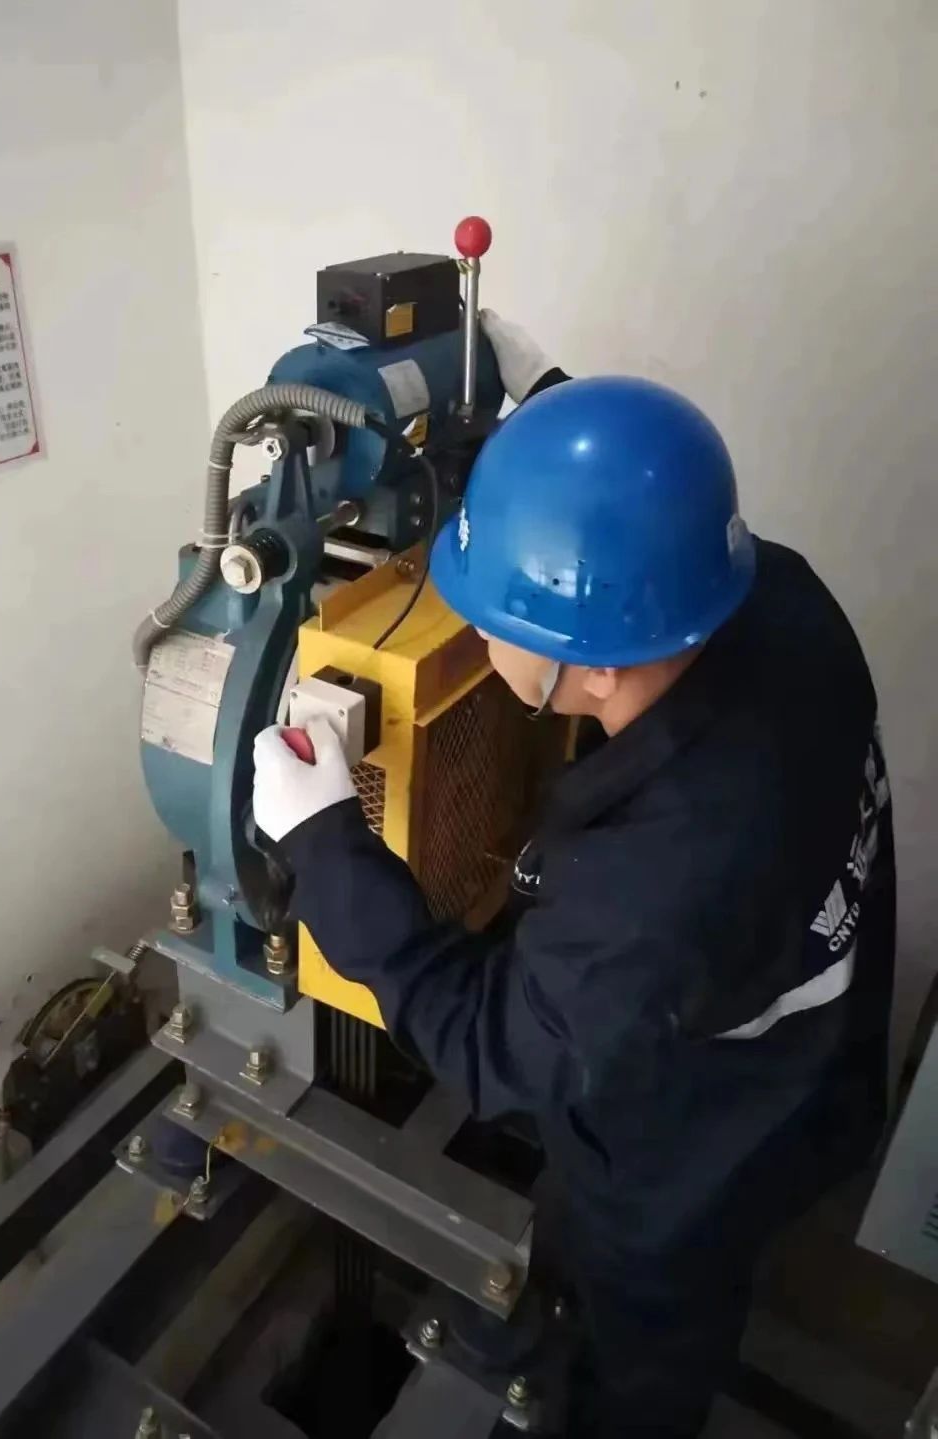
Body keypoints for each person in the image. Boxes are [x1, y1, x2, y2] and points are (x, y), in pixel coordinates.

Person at [252, 313, 896, 1437]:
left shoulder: (670, 875)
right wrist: (543, 402)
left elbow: (494, 1046)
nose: (469, 628)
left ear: (592, 668)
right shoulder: (776, 596)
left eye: (490, 615)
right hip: (804, 1040)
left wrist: (322, 840)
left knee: (646, 1341)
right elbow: (628, 525)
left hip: (704, 1140)